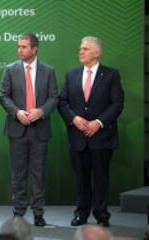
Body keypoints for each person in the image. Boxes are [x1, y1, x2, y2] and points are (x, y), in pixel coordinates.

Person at [58, 36, 124, 227]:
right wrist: (73, 118)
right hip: (78, 137)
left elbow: (117, 103)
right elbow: (63, 102)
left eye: (85, 49)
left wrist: (99, 122)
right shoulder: (71, 76)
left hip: (102, 137)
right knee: (81, 179)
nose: (81, 52)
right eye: (80, 48)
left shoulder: (111, 75)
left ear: (97, 53)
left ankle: (102, 215)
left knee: (101, 178)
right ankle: (81, 213)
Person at [0, 33, 58, 227]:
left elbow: (54, 98)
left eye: (23, 47)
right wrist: (17, 113)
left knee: (38, 174)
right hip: (17, 129)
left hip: (39, 129)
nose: (19, 50)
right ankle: (19, 211)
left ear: (34, 49)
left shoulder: (48, 71)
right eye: (18, 46)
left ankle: (38, 213)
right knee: (18, 173)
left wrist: (41, 111)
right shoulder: (10, 69)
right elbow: (3, 96)